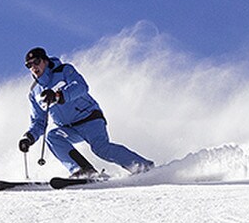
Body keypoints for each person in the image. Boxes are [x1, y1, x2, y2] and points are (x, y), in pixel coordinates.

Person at [18, 47, 153, 177]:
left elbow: (81, 86)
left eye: (36, 62)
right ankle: (83, 170)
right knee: (53, 137)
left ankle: (143, 167)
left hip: (90, 119)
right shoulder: (35, 93)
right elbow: (39, 121)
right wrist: (29, 137)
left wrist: (58, 96)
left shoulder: (64, 71)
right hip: (69, 128)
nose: (33, 67)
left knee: (101, 149)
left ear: (45, 61)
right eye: (29, 65)